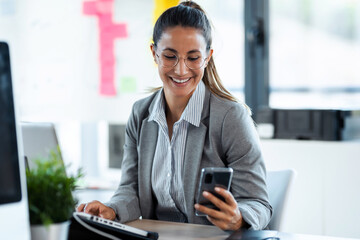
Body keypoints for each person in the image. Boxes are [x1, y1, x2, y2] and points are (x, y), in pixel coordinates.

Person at [77, 1, 272, 231]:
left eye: (192, 58)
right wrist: (112, 209)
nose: (180, 70)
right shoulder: (140, 115)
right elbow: (130, 190)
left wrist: (238, 218)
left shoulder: (231, 118)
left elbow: (259, 204)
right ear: (154, 53)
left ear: (208, 57)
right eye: (170, 56)